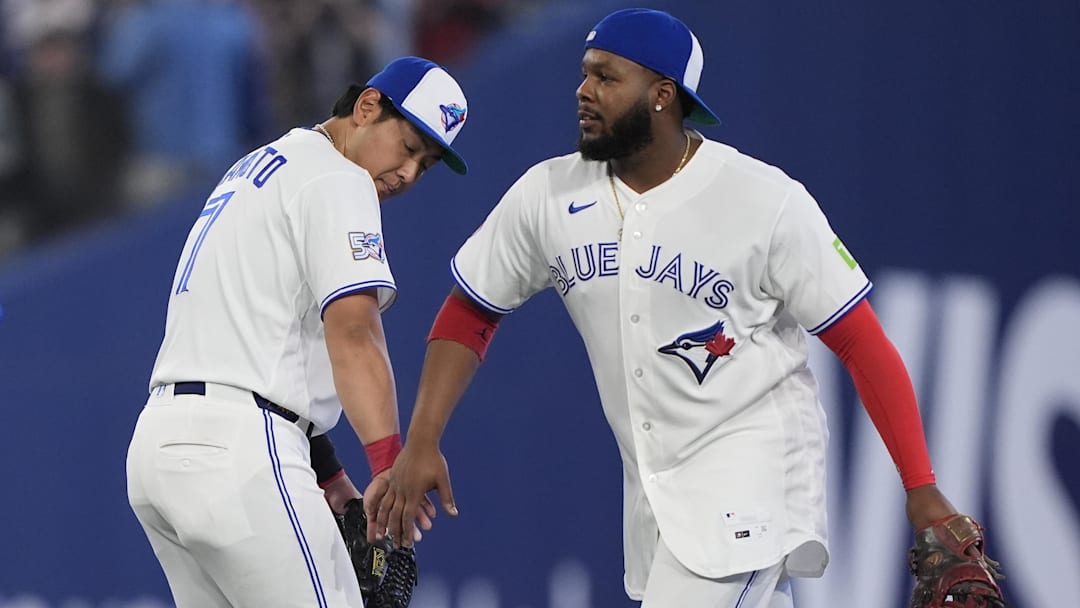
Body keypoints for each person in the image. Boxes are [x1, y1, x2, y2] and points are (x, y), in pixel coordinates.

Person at [369, 9, 965, 607]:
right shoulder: (549, 194)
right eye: (584, 74)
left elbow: (862, 344)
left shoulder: (763, 200)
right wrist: (422, 439)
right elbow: (471, 312)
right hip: (656, 503)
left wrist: (921, 488)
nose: (583, 90)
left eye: (606, 77)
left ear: (662, 95)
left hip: (750, 486)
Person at [126, 56, 470, 607]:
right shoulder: (341, 179)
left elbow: (256, 341)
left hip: (159, 451)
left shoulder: (260, 166)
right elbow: (355, 335)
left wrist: (328, 471)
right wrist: (389, 467)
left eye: (425, 165)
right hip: (240, 452)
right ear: (366, 108)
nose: (408, 174)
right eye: (409, 147)